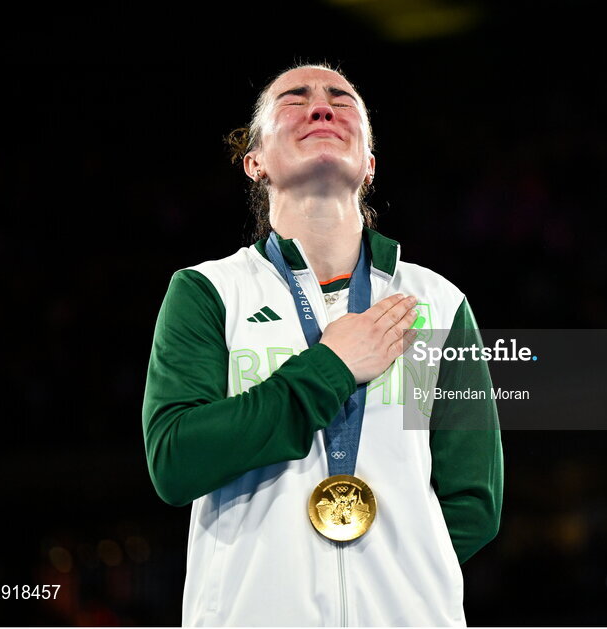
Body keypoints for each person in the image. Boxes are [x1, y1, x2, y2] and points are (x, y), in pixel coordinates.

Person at [141, 63, 503, 626]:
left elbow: (473, 502)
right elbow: (176, 460)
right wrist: (330, 366)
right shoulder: (209, 292)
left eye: (341, 99)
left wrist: (387, 584)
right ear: (255, 161)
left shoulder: (439, 303)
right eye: (294, 99)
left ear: (370, 164)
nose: (321, 106)